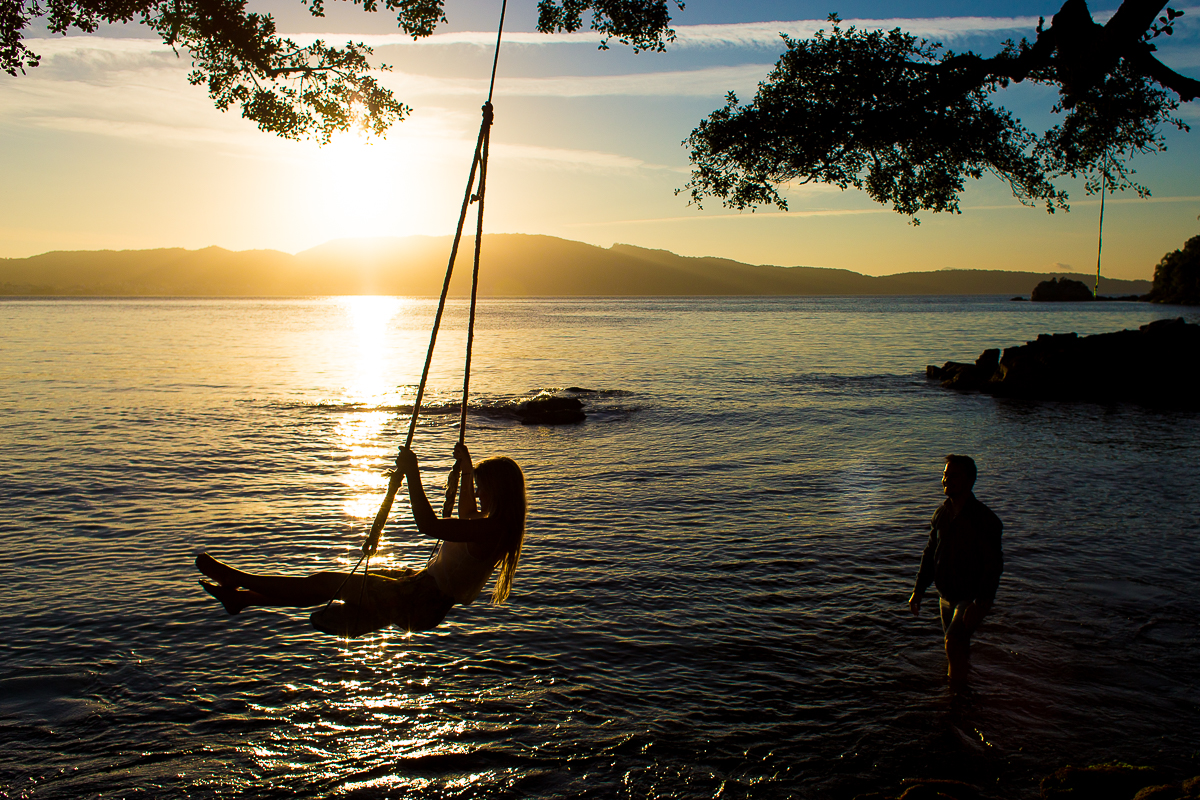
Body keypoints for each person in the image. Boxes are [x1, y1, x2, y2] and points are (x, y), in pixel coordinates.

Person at [196, 442, 526, 638]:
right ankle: (243, 599)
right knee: (328, 590)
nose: (478, 493)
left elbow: (427, 525)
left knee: (325, 583)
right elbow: (467, 508)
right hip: (419, 593)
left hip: (417, 600)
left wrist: (412, 472)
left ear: (496, 491)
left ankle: (236, 579)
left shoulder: (489, 531)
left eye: (482, 487)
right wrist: (467, 472)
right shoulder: (490, 525)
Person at [908, 454, 1003, 684]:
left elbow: (994, 565)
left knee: (952, 641)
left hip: (970, 598)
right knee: (957, 646)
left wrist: (981, 601)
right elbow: (930, 553)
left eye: (951, 476)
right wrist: (919, 589)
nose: (944, 480)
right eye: (944, 474)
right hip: (946, 595)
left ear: (969, 481)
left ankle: (955, 695)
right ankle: (964, 685)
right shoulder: (941, 514)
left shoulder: (985, 520)